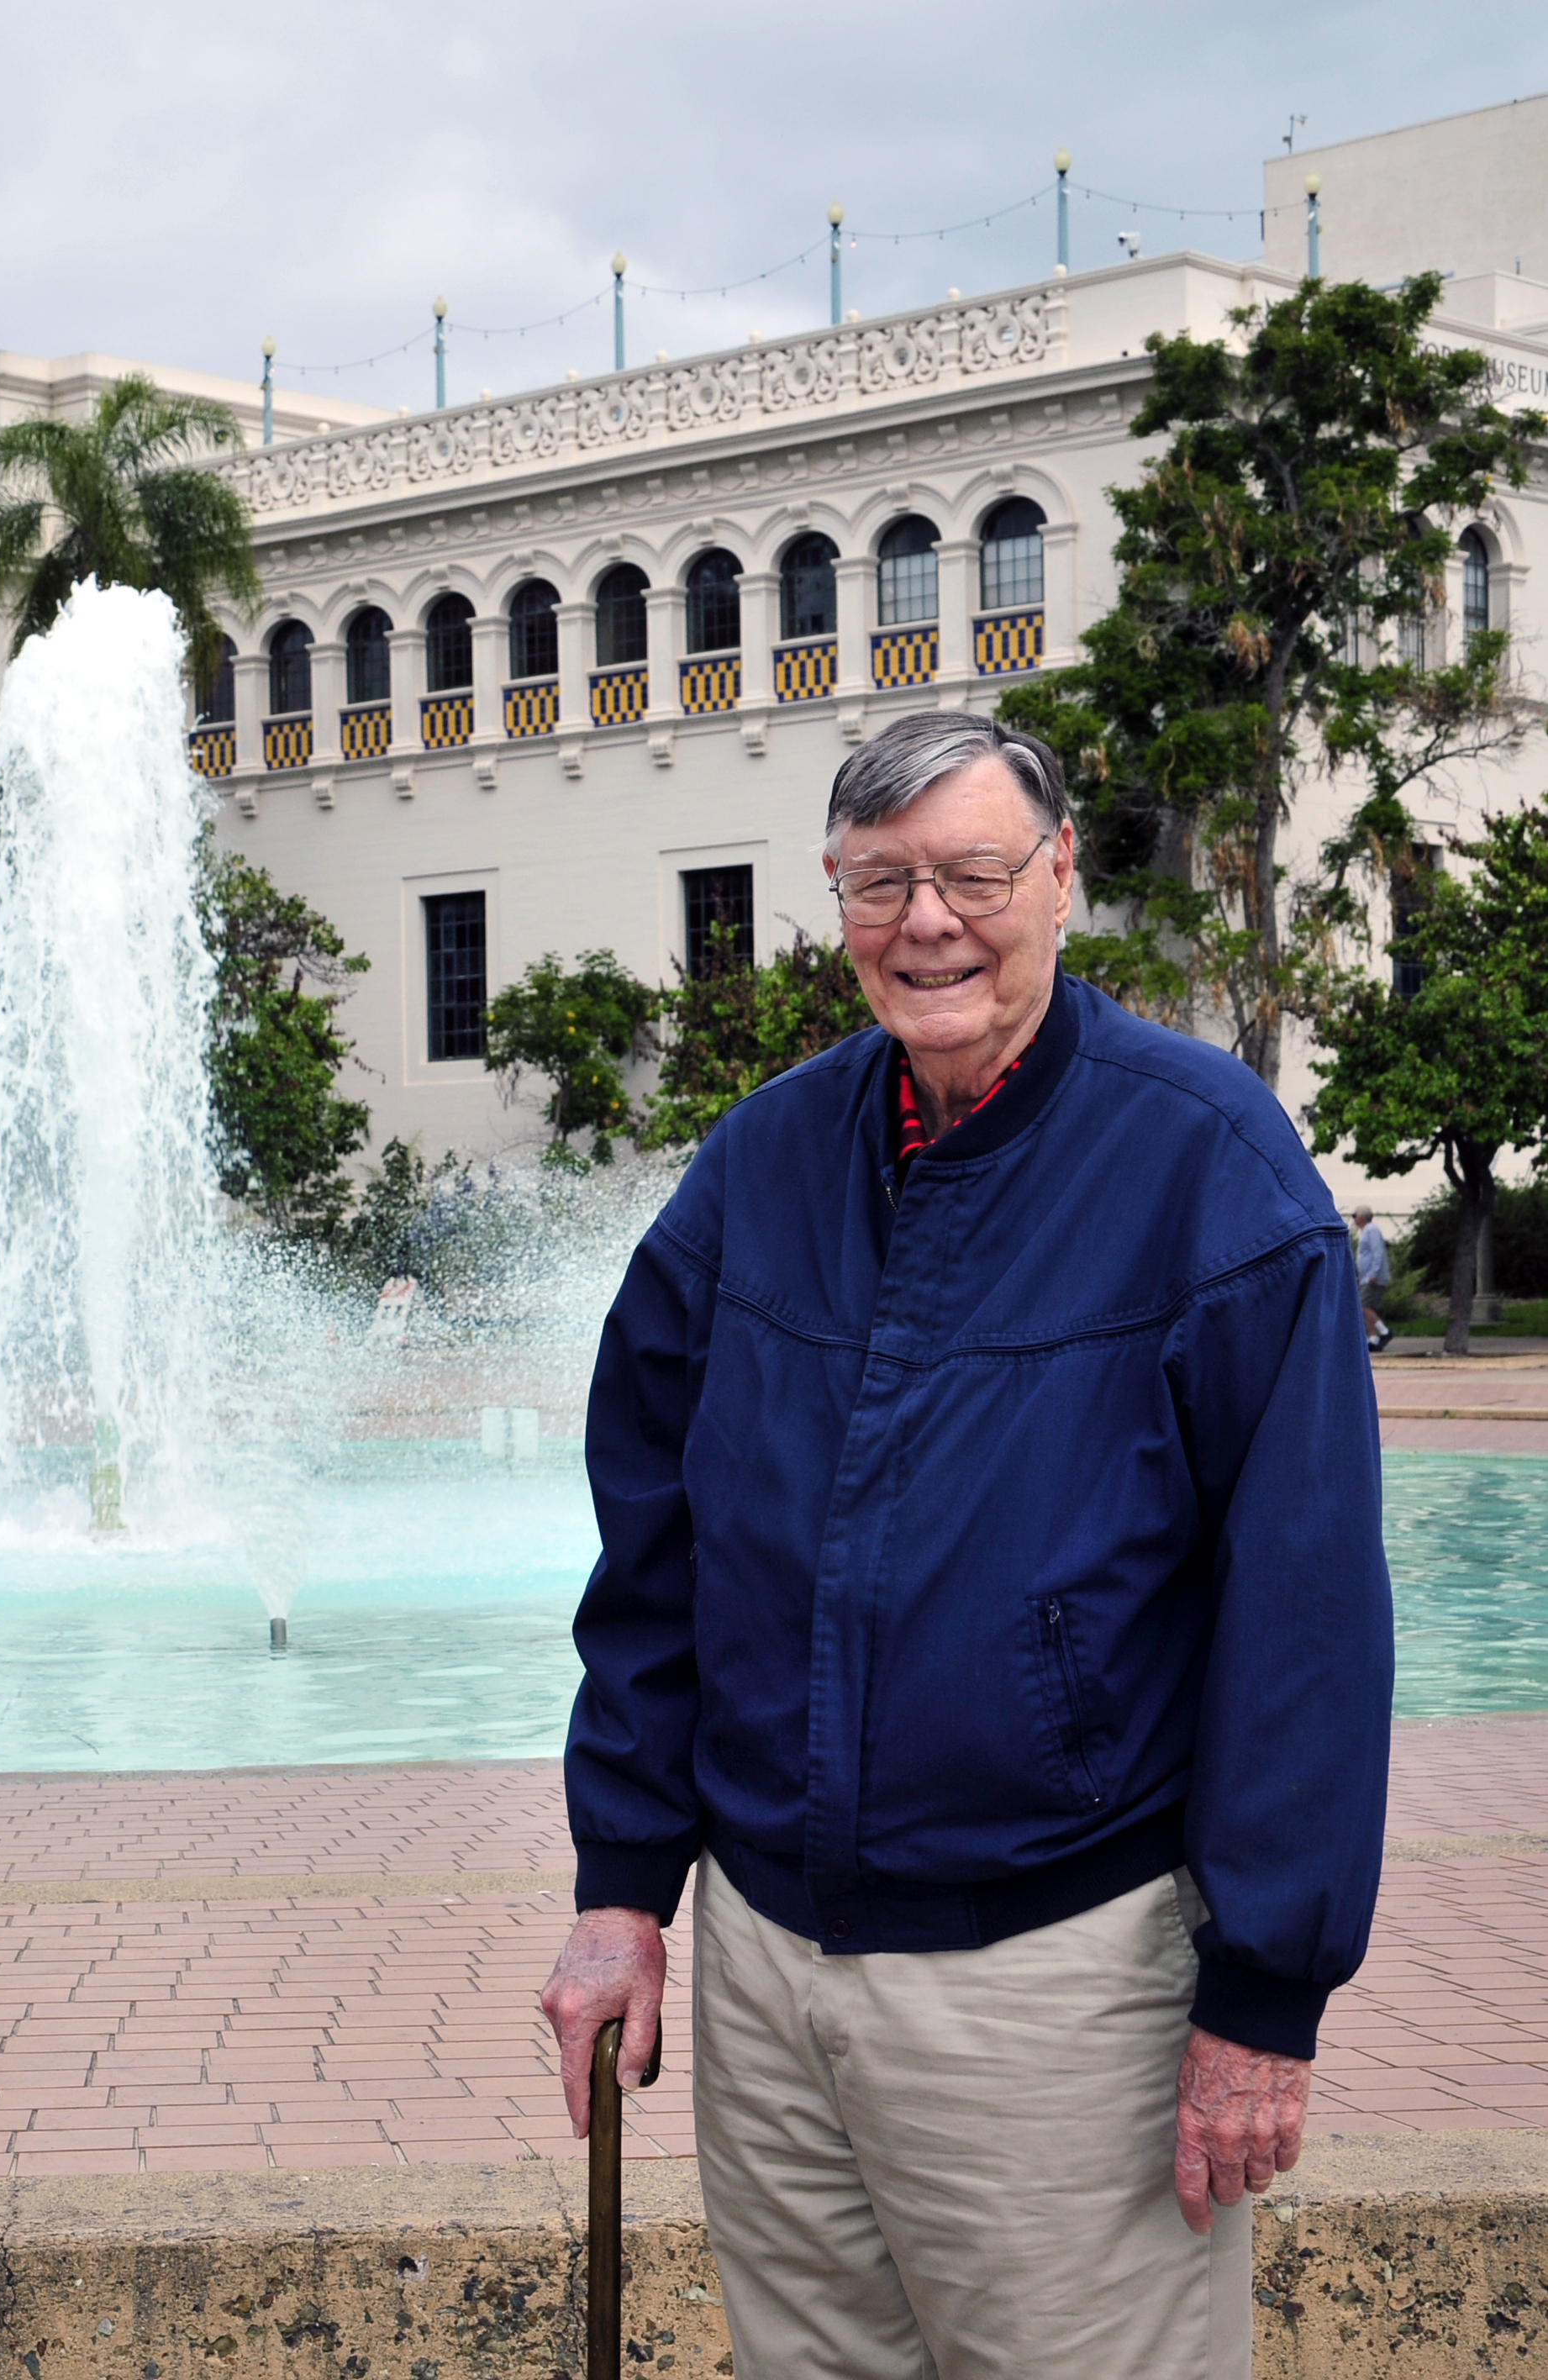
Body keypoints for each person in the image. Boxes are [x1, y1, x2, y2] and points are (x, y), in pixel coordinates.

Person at [538, 710, 1391, 2380]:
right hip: (772, 1981)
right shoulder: (761, 1163)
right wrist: (624, 1886)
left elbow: (1302, 1620)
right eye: (879, 883)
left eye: (972, 873)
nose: (926, 921)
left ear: (1060, 878)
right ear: (837, 900)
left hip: (1057, 1987)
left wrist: (1263, 2004)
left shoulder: (1209, 1170)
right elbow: (655, 1546)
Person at [1353, 1205, 1393, 1351]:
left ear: (1362, 1217)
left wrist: (1374, 1273)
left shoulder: (1371, 1230)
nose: (1354, 1219)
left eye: (1355, 1216)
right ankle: (1373, 1338)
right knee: (1365, 1307)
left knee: (1364, 1306)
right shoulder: (1365, 1231)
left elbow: (1378, 1253)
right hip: (1365, 1277)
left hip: (1371, 1277)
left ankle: (1384, 1332)